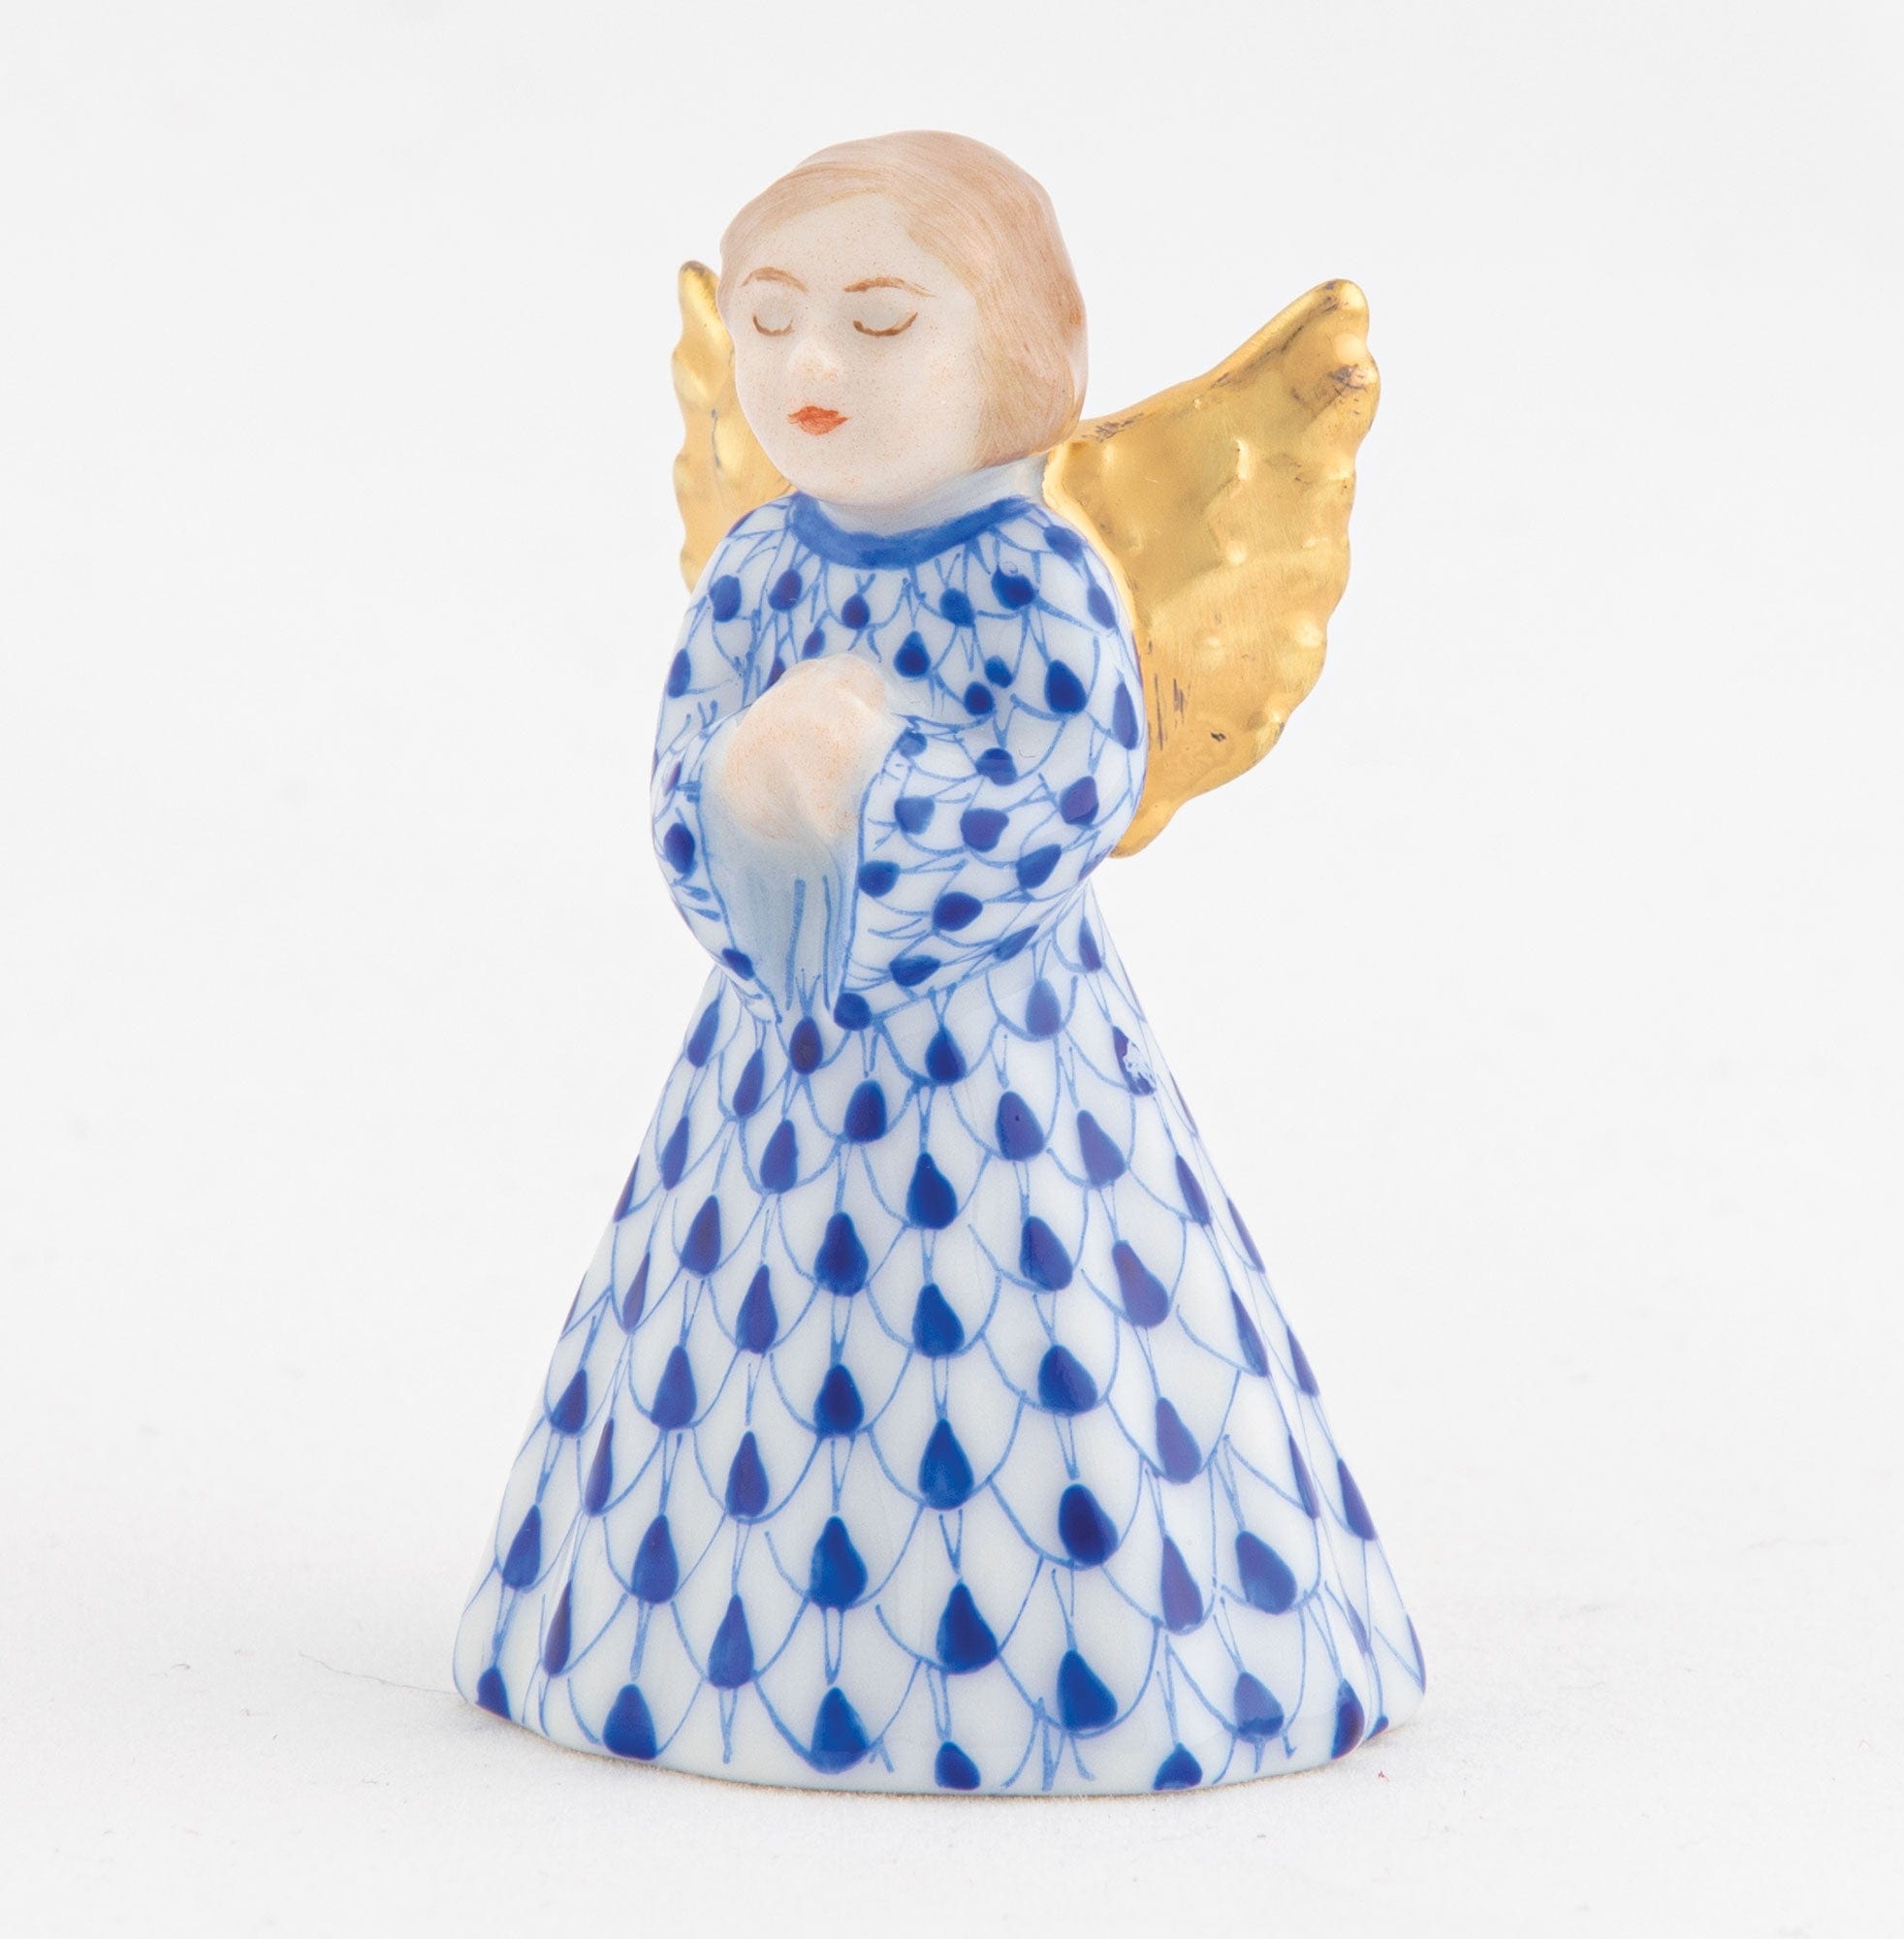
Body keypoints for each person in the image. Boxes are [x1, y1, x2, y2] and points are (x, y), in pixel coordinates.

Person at [454, 131, 1423, 1794]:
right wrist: (747, 793)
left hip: (1011, 1089)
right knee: (730, 1346)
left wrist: (874, 775)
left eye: (880, 324)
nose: (808, 369)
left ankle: (1101, 1661)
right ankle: (672, 1634)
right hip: (772, 1075)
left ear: (1023, 349)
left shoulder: (1039, 575)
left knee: (1035, 1345)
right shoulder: (761, 568)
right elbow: (682, 788)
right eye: (768, 321)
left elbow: (1069, 792)